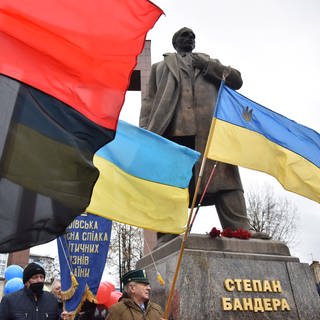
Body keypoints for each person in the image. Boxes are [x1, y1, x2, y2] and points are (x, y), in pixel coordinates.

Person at [140, 27, 269, 241]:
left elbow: (236, 80)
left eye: (192, 36)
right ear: (175, 42)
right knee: (173, 184)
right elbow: (149, 102)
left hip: (209, 132)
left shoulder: (210, 64)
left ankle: (240, 228)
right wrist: (145, 132)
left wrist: (209, 66)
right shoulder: (160, 68)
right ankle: (168, 232)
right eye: (184, 35)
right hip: (173, 134)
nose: (189, 38)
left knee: (227, 180)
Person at [0, 262, 71, 319]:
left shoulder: (52, 299)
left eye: (42, 277)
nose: (39, 280)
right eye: (35, 277)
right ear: (26, 281)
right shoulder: (9, 301)